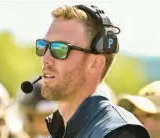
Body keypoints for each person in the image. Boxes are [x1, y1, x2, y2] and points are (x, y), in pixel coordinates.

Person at [34, 4, 150, 138]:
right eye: (43, 46)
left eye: (60, 49)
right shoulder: (57, 134)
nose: (45, 58)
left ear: (95, 63)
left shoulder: (119, 133)